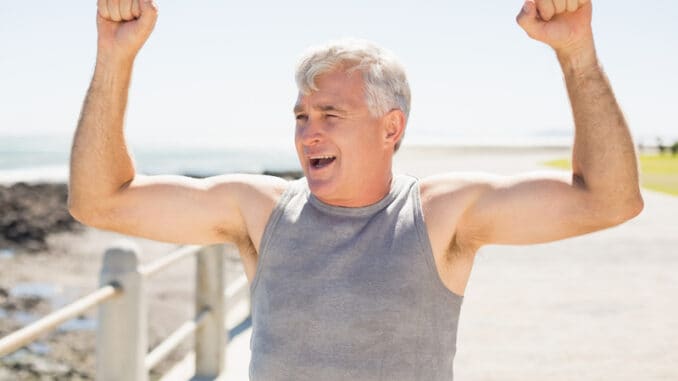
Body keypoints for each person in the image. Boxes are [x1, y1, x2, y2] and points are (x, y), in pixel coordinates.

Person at [69, 0, 643, 379]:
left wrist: (576, 55)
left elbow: (609, 200)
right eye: (300, 116)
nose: (307, 132)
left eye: (329, 114)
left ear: (390, 127)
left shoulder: (442, 216)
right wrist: (114, 57)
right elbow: (99, 200)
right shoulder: (259, 211)